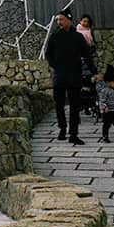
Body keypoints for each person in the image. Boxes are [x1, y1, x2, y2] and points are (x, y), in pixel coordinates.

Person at [44, 9, 95, 145]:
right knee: (59, 105)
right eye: (57, 20)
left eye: (61, 19)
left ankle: (73, 134)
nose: (59, 22)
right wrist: (56, 66)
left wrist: (95, 72)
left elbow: (87, 56)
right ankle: (62, 128)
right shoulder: (55, 36)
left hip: (74, 76)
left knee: (74, 106)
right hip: (59, 77)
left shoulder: (78, 37)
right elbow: (48, 54)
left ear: (69, 19)